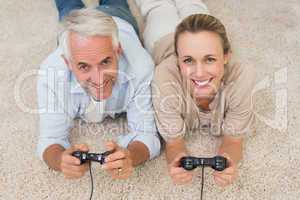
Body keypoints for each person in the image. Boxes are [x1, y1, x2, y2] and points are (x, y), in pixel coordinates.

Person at [37, 0, 161, 180]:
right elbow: (49, 139)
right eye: (84, 66)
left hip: (116, 17)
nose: (99, 79)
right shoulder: (51, 75)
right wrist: (59, 160)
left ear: (118, 52)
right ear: (68, 63)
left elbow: (147, 134)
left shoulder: (141, 67)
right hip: (74, 25)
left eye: (105, 62)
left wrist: (131, 157)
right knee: (68, 7)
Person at [135, 2, 255, 187]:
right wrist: (177, 159)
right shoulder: (164, 79)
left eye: (210, 59)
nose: (199, 73)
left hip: (189, 37)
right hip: (162, 37)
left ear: (226, 56)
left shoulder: (241, 78)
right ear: (178, 60)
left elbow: (233, 139)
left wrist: (228, 158)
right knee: (157, 7)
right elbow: (174, 143)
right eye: (188, 60)